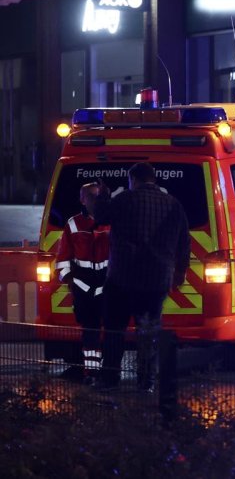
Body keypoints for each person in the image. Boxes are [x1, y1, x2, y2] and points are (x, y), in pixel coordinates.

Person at [96, 162, 191, 391]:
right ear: (153, 179)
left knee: (114, 331)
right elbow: (184, 243)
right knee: (148, 334)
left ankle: (110, 379)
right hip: (156, 281)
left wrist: (104, 196)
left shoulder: (124, 200)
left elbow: (100, 217)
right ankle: (146, 382)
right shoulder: (173, 205)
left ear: (134, 180)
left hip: (122, 279)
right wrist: (179, 272)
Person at [54, 182, 110, 384]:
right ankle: (91, 373)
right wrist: (71, 282)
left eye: (98, 196)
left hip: (108, 285)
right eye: (90, 196)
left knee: (112, 331)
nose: (94, 200)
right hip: (83, 286)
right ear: (82, 200)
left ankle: (110, 373)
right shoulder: (73, 224)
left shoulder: (112, 222)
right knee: (90, 332)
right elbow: (62, 259)